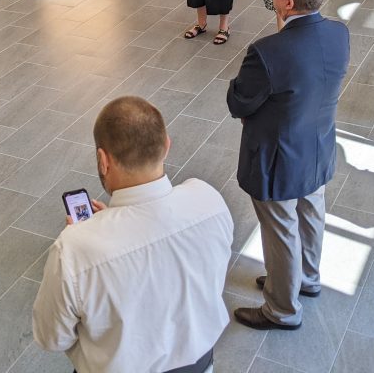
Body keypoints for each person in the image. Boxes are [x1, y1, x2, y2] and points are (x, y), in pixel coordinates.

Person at [32, 96, 233, 373]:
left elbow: (52, 337)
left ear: (103, 161)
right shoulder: (209, 200)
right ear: (167, 146)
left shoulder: (75, 249)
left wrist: (92, 232)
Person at [227, 0, 349, 331]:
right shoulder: (338, 33)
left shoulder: (268, 51)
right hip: (318, 147)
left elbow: (238, 101)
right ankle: (305, 278)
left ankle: (282, 308)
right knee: (311, 213)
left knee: (280, 229)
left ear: (288, 3)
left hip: (279, 159)